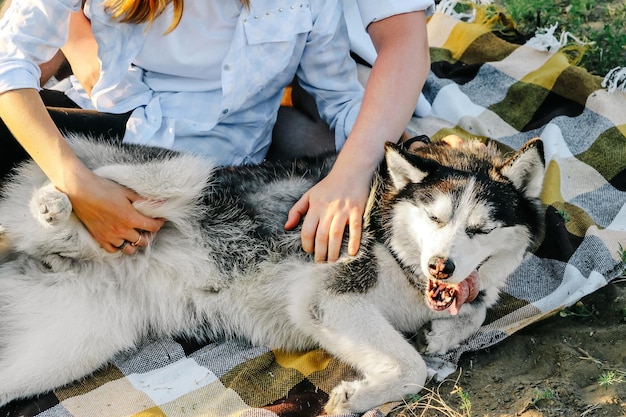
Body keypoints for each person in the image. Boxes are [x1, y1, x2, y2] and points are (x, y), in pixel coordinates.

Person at [0, 0, 364, 255]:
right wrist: (79, 185)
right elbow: (9, 61)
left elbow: (341, 99)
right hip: (105, 133)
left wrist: (396, 153)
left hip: (203, 178)